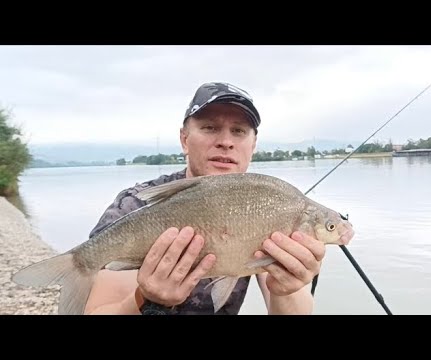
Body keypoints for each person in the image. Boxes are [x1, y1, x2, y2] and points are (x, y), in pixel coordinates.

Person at [83, 81, 326, 315]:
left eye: (238, 131)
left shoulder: (265, 203)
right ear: (184, 139)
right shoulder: (134, 206)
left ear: (253, 145)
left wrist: (286, 289)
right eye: (210, 127)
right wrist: (147, 300)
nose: (226, 142)